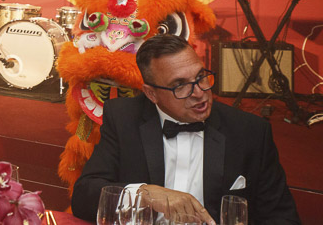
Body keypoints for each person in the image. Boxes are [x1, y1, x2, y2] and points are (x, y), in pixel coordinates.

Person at [72, 34, 300, 224]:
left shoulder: (249, 132)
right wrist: (144, 194)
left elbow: (281, 218)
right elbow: (84, 196)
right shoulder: (124, 118)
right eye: (180, 85)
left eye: (201, 77)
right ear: (151, 93)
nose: (199, 92)